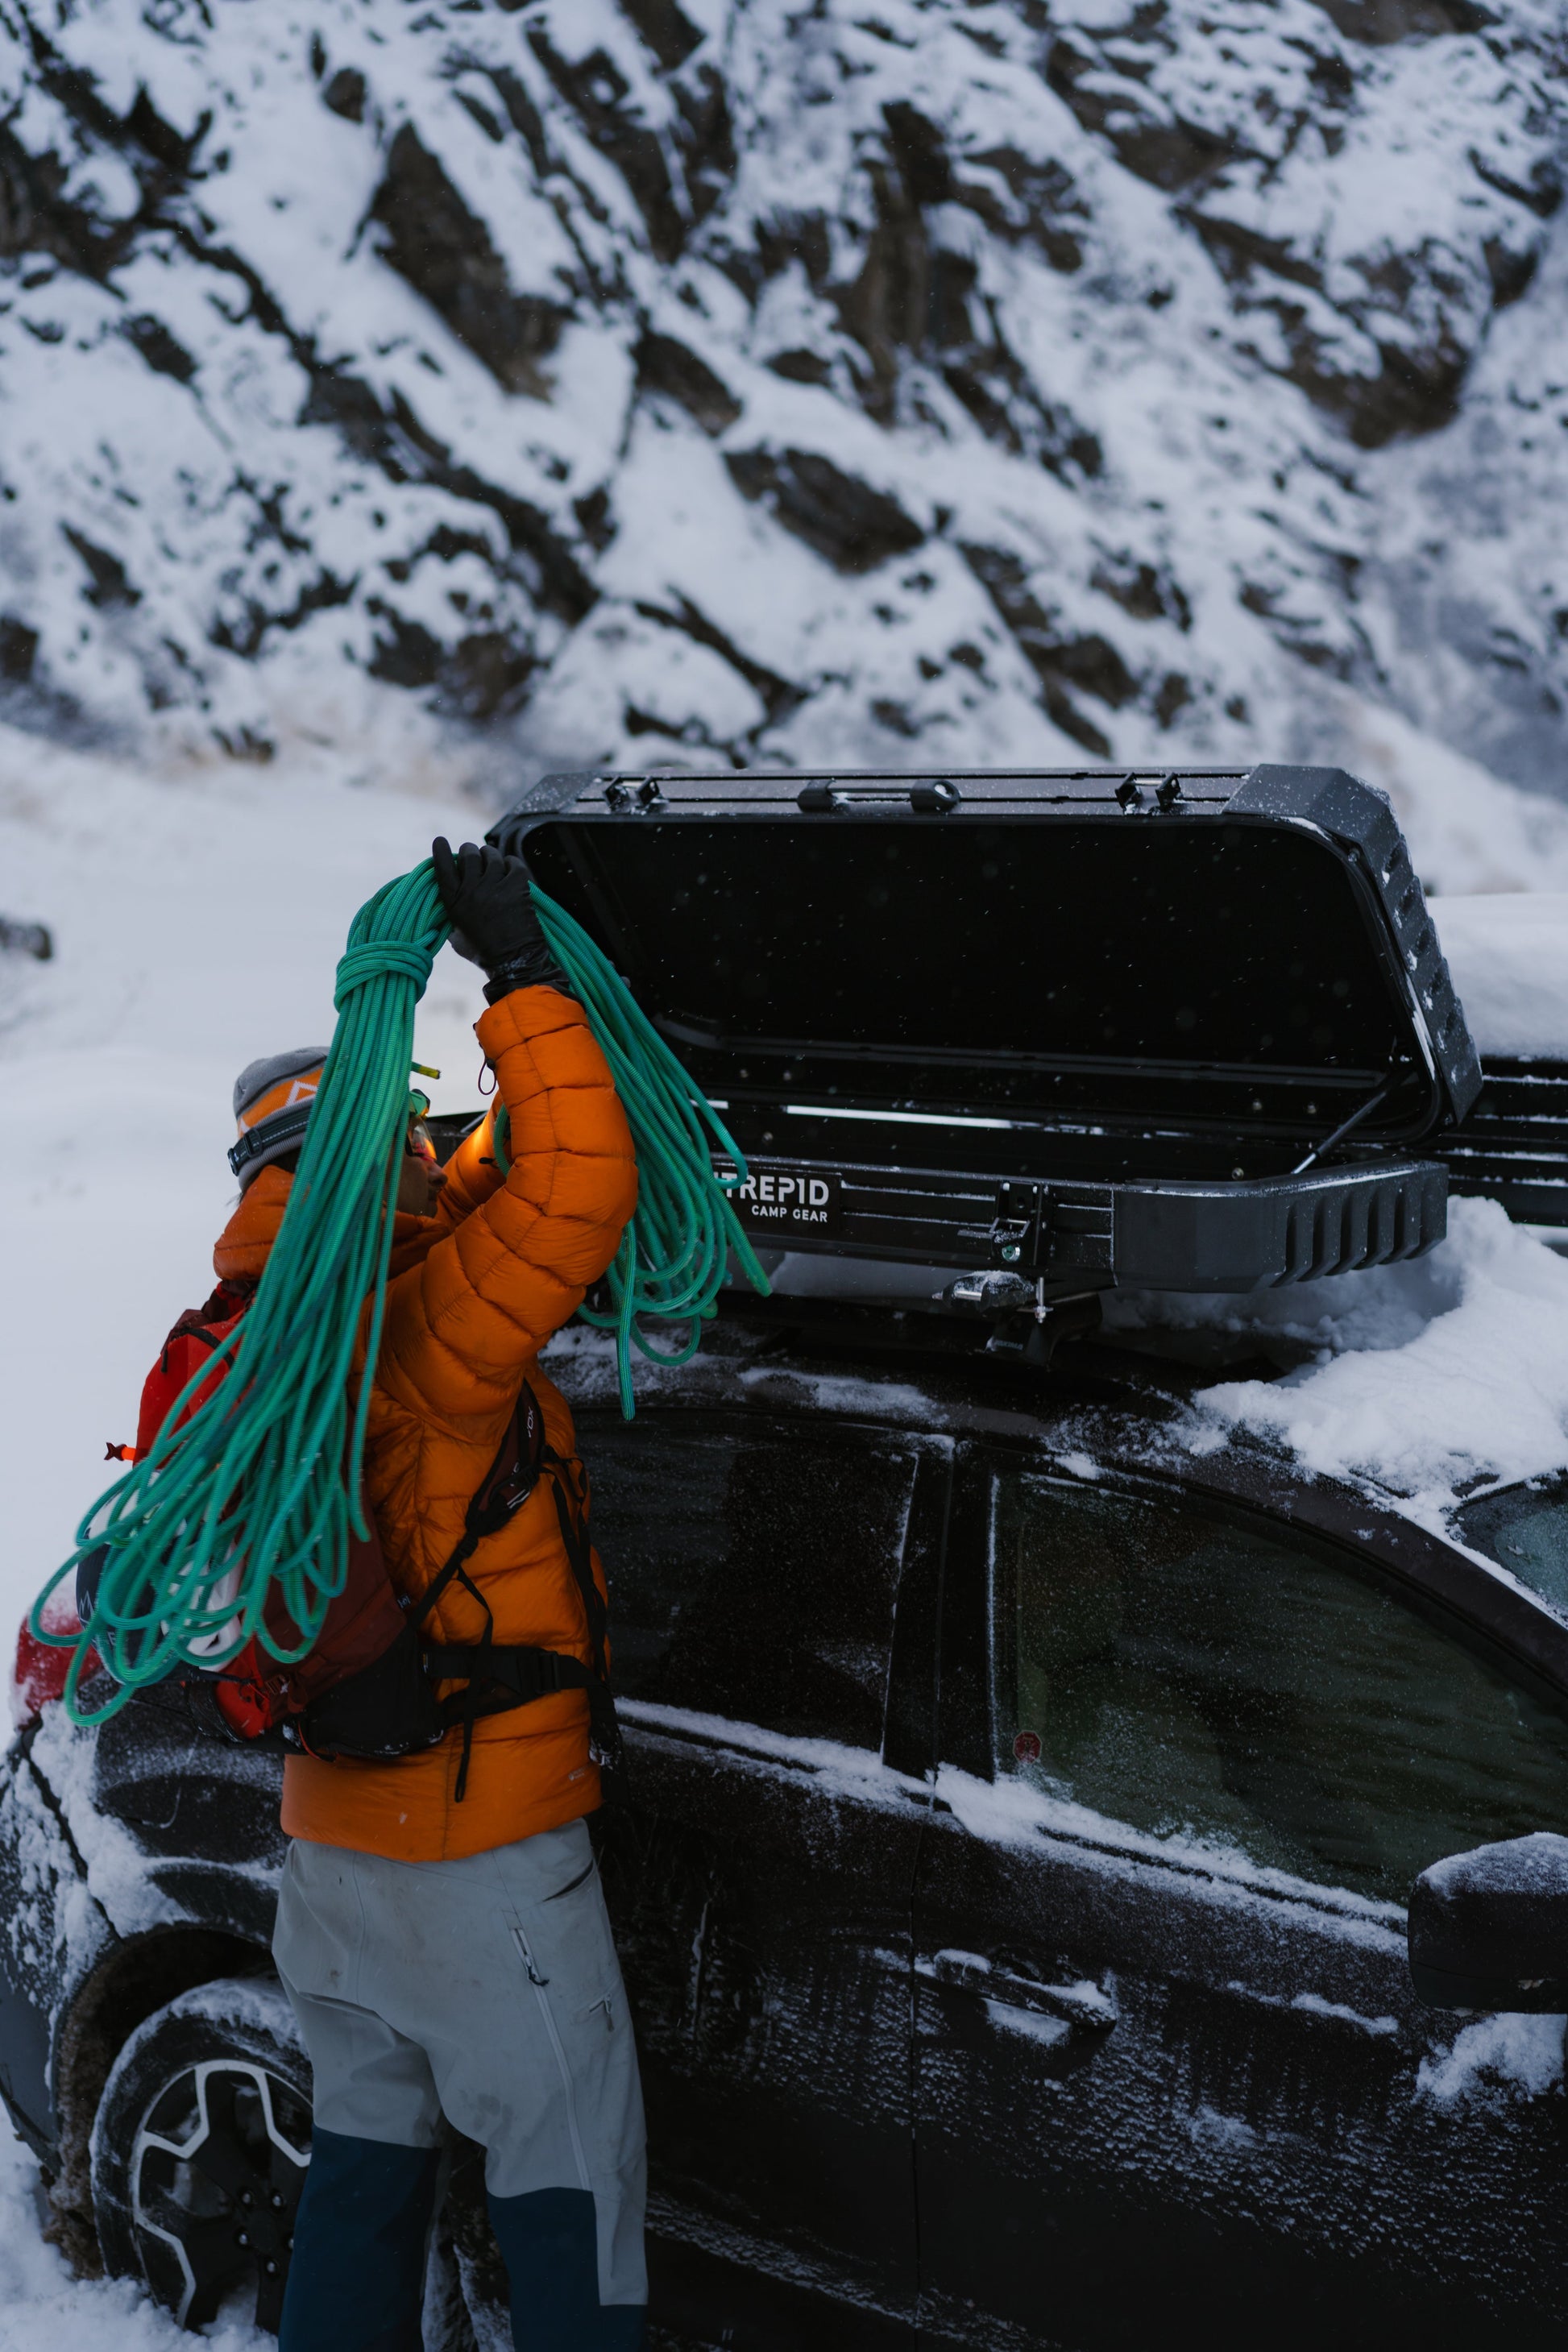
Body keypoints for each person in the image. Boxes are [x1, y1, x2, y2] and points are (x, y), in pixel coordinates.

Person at [214, 840, 645, 2350]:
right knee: (571, 2185)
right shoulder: (429, 1330)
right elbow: (575, 1194)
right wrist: (520, 977)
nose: (433, 1146)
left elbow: (468, 1202)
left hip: (334, 1851)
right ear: (366, 1159)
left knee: (362, 2180)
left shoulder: (269, 1327)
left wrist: (471, 1116)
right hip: (483, 1861)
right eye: (411, 1133)